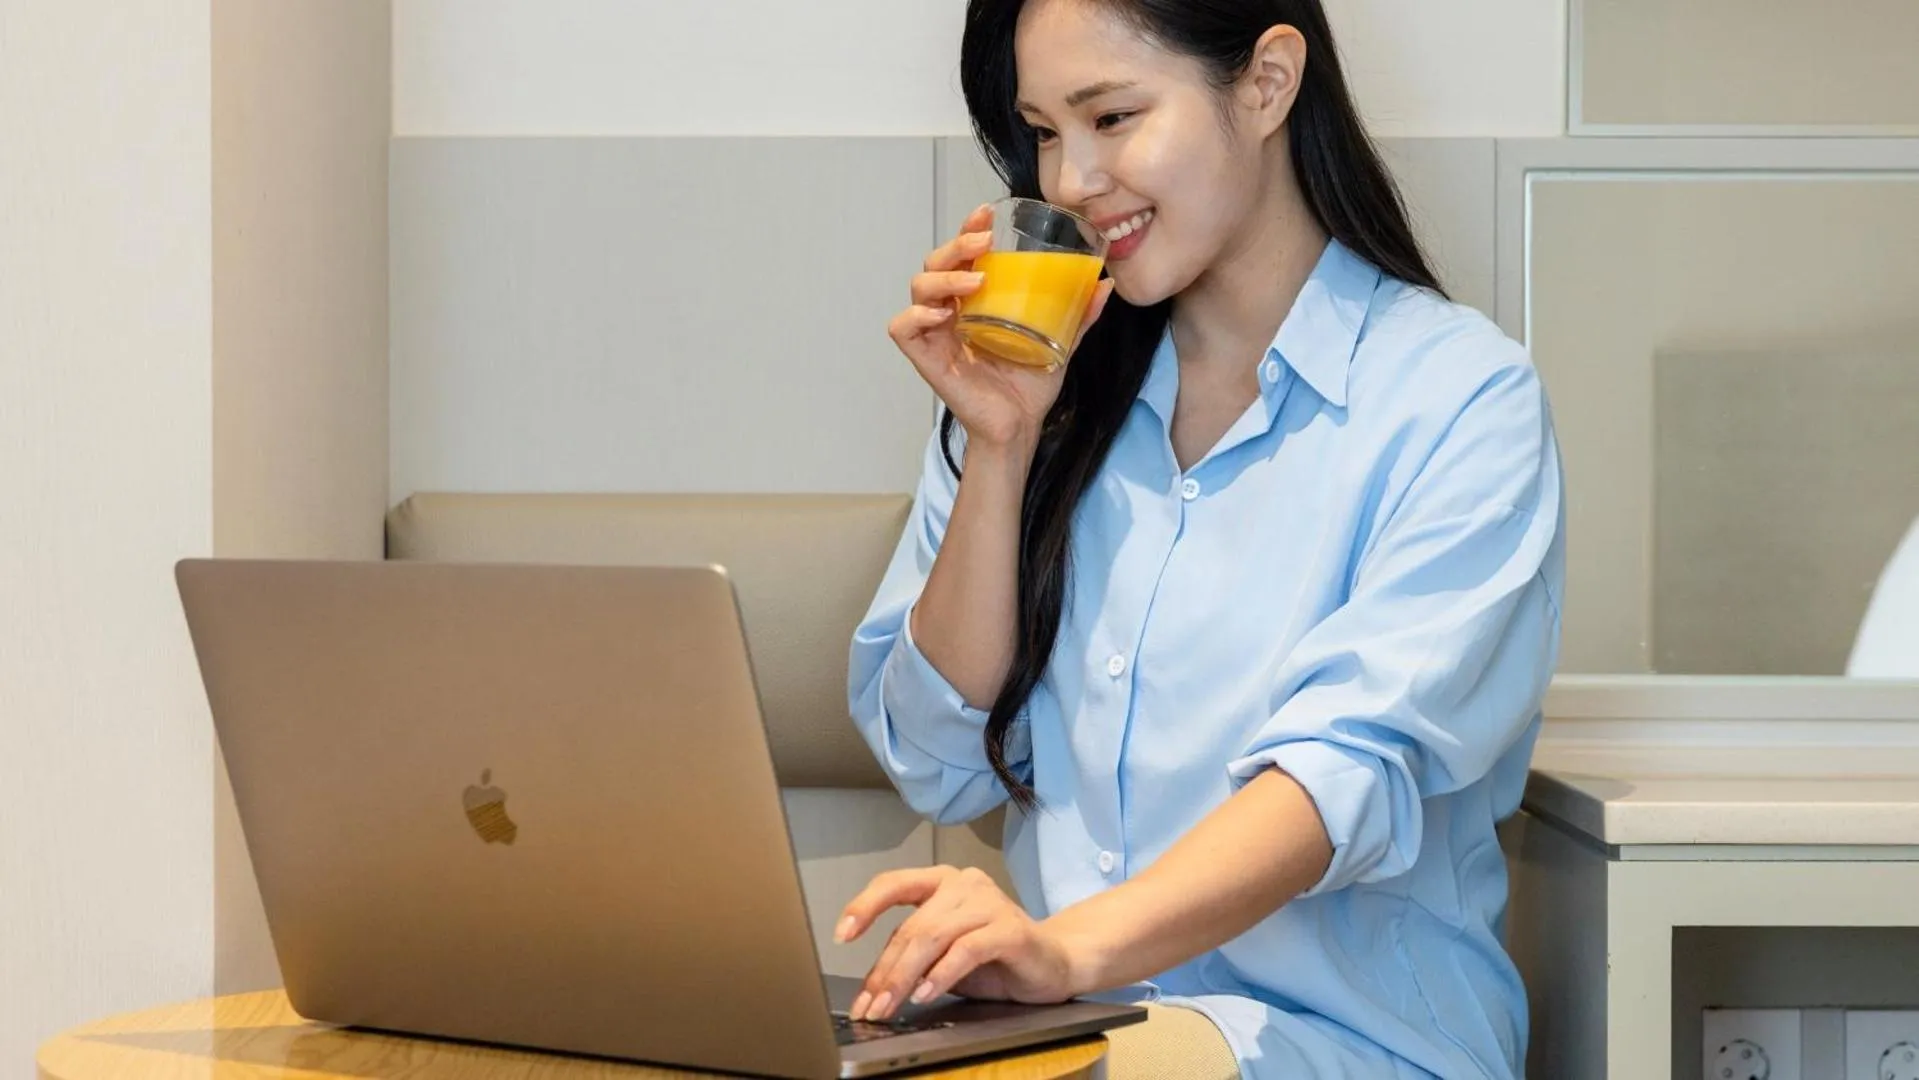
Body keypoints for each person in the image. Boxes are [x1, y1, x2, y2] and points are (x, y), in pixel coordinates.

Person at [840, 1, 1566, 1076]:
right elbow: (936, 764)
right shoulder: (1043, 393)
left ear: (1266, 83)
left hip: (1348, 1050)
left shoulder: (1459, 400)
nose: (1071, 180)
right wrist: (998, 445)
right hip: (1087, 1040)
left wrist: (1063, 950)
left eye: (1111, 117)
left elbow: (1337, 779)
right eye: (1042, 132)